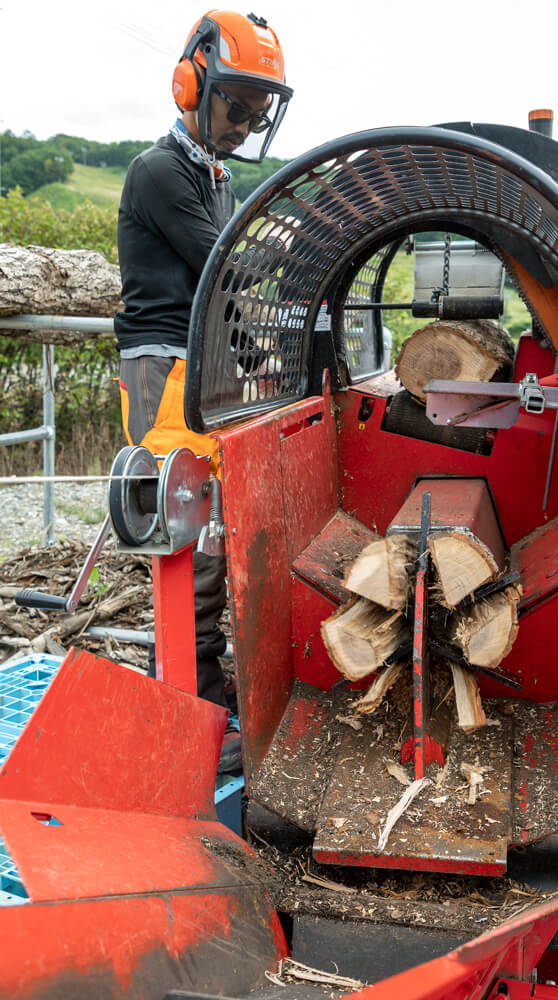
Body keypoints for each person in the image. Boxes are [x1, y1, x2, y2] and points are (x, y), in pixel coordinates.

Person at [114, 10, 293, 709]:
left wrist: (258, 364)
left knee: (210, 542)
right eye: (235, 108)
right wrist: (285, 244)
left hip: (203, 370)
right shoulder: (159, 172)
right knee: (180, 542)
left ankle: (201, 695)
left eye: (256, 116)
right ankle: (186, 707)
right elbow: (225, 267)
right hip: (164, 372)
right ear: (191, 83)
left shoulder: (214, 177)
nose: (244, 126)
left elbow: (220, 299)